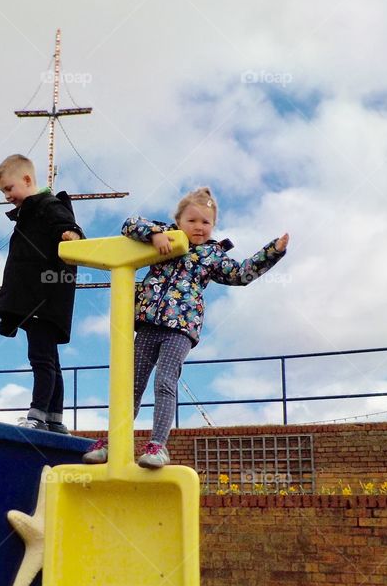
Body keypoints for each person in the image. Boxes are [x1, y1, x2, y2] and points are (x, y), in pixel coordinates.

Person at [83, 187, 289, 468]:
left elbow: (241, 274)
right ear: (178, 221)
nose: (199, 227)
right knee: (129, 385)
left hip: (181, 328)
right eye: (192, 220)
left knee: (164, 382)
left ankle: (157, 446)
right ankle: (113, 443)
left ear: (213, 226)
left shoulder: (212, 255)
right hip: (147, 324)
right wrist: (155, 235)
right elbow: (130, 223)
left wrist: (272, 252)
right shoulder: (163, 238)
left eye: (206, 222)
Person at [0, 154, 85, 433]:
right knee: (51, 360)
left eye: (9, 189)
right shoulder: (31, 213)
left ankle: (37, 415)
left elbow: (65, 223)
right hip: (41, 298)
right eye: (3, 192)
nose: (7, 196)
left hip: (42, 299)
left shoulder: (47, 205)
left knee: (41, 359)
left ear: (27, 180)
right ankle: (54, 418)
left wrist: (71, 233)